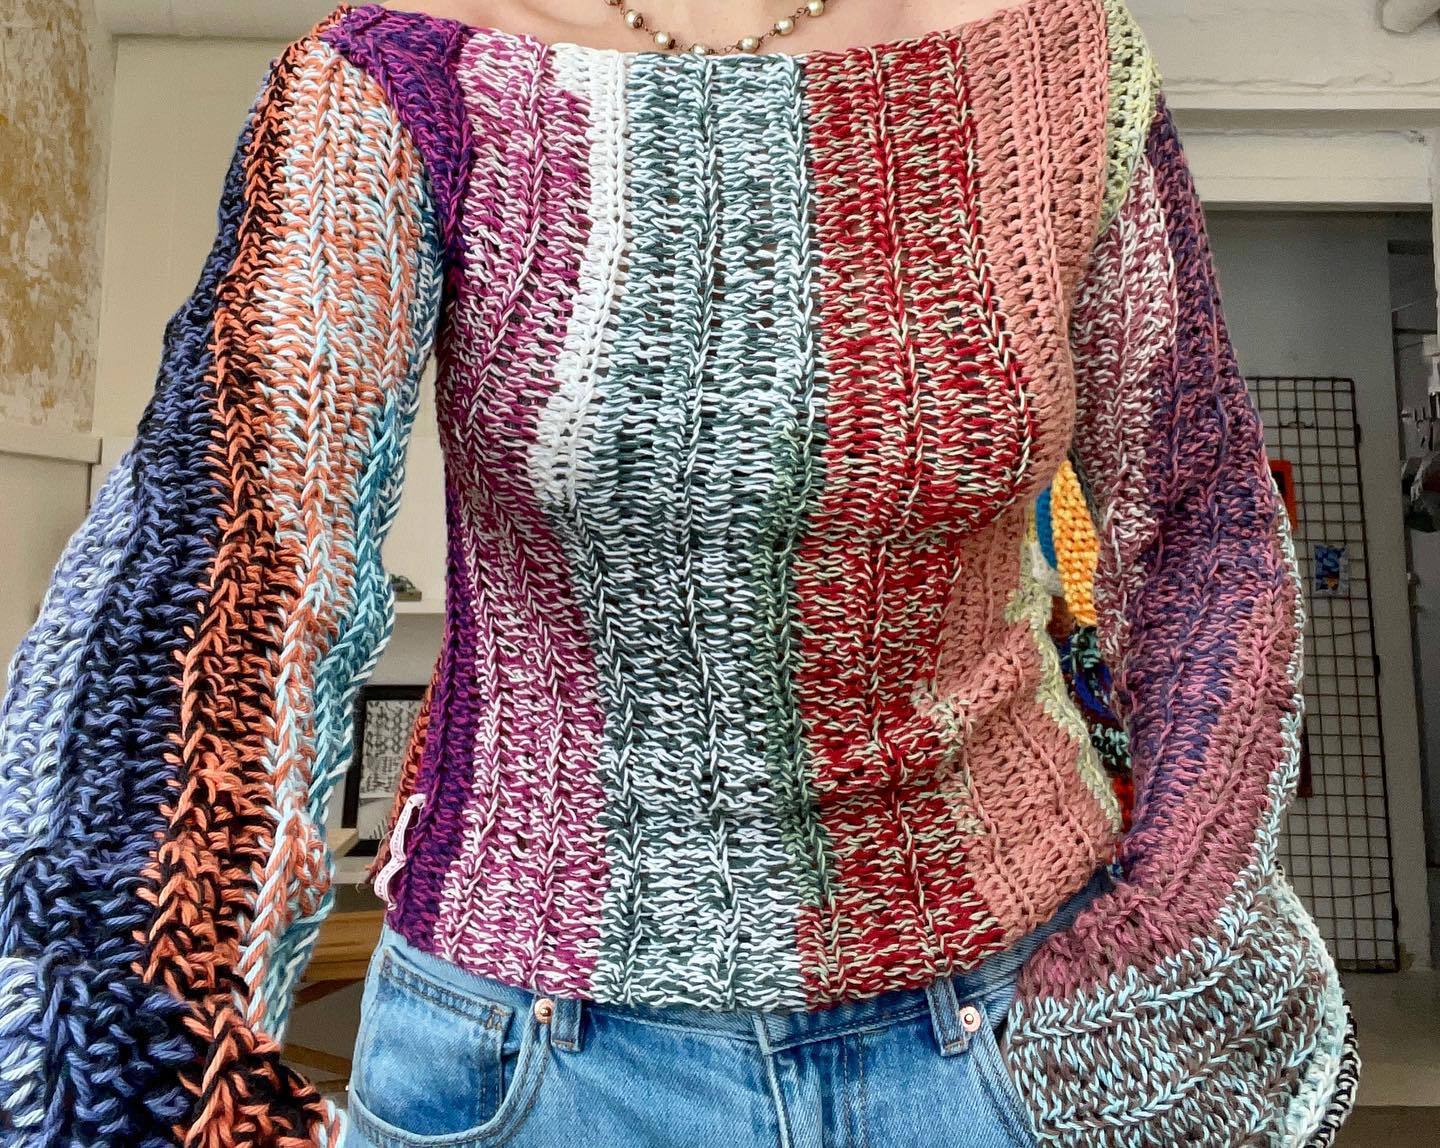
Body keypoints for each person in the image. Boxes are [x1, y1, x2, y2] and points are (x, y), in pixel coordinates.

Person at [0, 1, 1360, 1145]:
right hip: (536, 1056)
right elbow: (226, 548)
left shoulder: (1064, 62)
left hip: (1011, 1025)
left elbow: (1202, 517)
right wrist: (138, 1060)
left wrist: (1176, 913)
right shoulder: (410, 68)